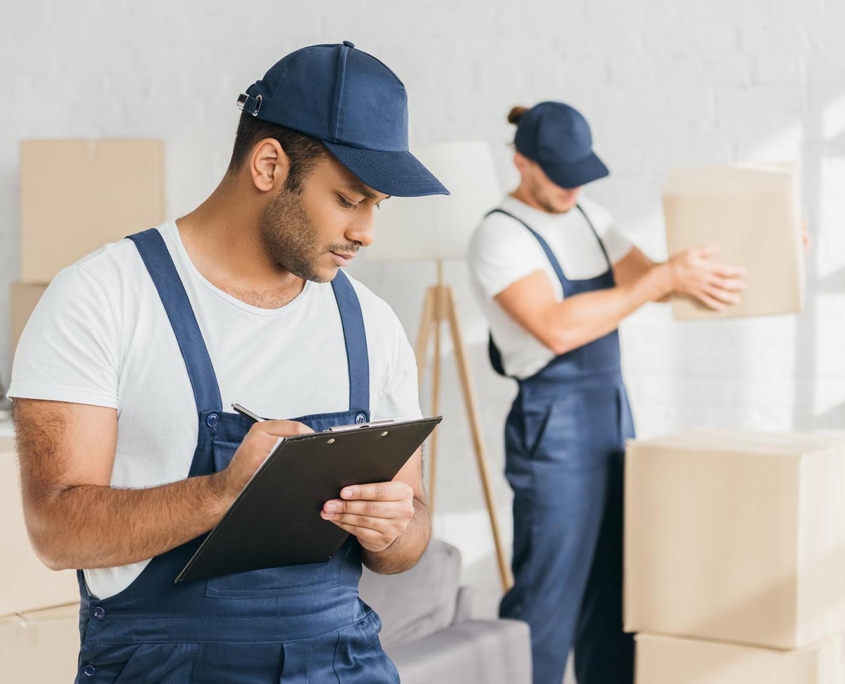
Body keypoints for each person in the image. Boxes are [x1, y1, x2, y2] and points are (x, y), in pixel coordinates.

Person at [10, 41, 448, 684]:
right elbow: (55, 530)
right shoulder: (103, 297)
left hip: (343, 663)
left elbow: (411, 535)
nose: (367, 233)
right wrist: (221, 495)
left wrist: (391, 528)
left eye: (377, 205)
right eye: (349, 199)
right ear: (269, 165)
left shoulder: (371, 324)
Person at [467, 101, 746, 684]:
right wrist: (660, 280)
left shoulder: (588, 214)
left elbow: (659, 280)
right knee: (548, 600)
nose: (572, 186)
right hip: (553, 426)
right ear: (521, 161)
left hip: (613, 416)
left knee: (619, 592)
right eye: (558, 174)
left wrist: (756, 245)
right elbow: (556, 326)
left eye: (579, 173)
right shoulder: (499, 234)